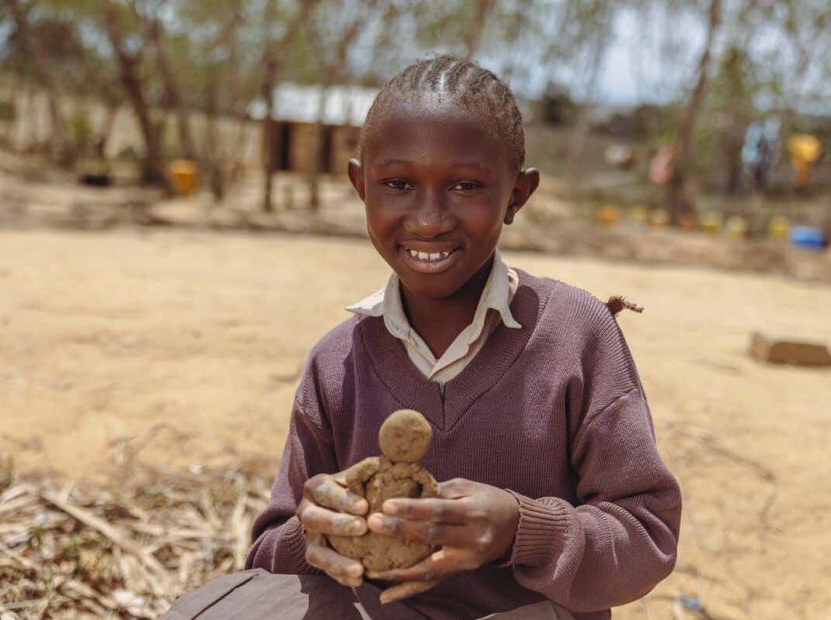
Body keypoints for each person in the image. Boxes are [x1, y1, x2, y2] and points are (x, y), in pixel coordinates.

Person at [245, 55, 681, 619]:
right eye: (397, 184)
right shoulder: (337, 364)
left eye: (465, 185)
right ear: (360, 186)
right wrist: (315, 534)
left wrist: (520, 532)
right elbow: (264, 558)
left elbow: (647, 535)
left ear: (517, 196)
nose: (428, 219)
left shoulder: (577, 336)